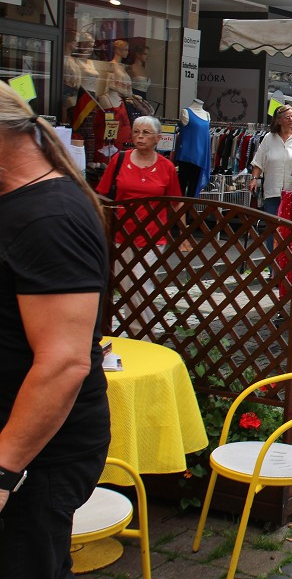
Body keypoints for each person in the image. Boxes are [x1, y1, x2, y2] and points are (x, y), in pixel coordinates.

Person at [0, 82, 111, 578]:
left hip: (36, 456)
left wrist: (4, 468)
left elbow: (64, 362)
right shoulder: (19, 202)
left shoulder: (48, 216)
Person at [96, 115, 184, 338]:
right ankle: (138, 333)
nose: (140, 137)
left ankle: (141, 335)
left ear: (157, 138)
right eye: (136, 132)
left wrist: (183, 235)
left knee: (139, 284)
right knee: (126, 285)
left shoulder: (166, 167)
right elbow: (102, 194)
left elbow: (176, 201)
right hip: (120, 234)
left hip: (153, 236)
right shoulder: (119, 160)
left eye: (145, 133)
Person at [249, 105, 292, 255]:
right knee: (273, 230)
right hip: (272, 192)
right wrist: (254, 179)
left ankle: (290, 269)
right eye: (288, 117)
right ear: (279, 121)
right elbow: (258, 162)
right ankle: (274, 269)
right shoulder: (268, 139)